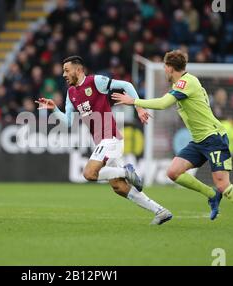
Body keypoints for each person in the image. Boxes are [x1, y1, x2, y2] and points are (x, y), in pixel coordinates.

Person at [113, 50, 233, 232]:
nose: (164, 71)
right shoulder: (185, 82)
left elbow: (163, 104)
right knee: (173, 172)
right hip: (199, 141)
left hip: (213, 138)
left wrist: (134, 101)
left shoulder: (186, 82)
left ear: (170, 68)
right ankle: (211, 195)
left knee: (223, 184)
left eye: (165, 68)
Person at [36, 55, 172, 225]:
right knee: (119, 187)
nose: (64, 74)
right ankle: (160, 211)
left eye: (66, 70)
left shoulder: (96, 82)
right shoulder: (71, 93)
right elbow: (68, 122)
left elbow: (126, 85)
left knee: (89, 173)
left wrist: (139, 107)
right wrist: (54, 109)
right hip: (103, 142)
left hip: (111, 138)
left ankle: (125, 171)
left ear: (78, 70)